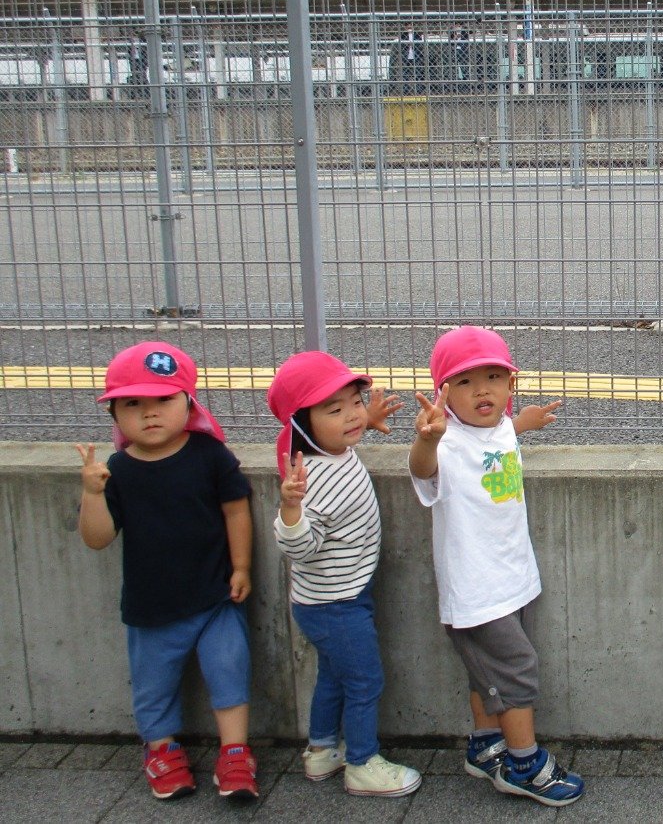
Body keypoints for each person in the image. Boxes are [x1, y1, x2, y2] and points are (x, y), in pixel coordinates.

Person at [75, 342, 258, 801]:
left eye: (163, 399)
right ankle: (160, 749)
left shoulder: (210, 455)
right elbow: (97, 538)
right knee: (154, 683)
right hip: (150, 606)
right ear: (114, 414)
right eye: (132, 403)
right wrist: (92, 495)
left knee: (229, 667)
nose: (149, 413)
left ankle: (235, 751)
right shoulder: (118, 470)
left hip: (216, 595)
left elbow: (236, 509)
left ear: (189, 404)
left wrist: (241, 566)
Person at [409, 326, 582, 806]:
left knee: (486, 674)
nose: (481, 390)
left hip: (512, 577)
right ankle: (524, 764)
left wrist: (524, 422)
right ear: (444, 395)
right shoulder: (446, 443)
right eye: (464, 382)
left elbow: (501, 437)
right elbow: (423, 470)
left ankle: (486, 747)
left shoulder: (499, 426)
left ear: (511, 384)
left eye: (493, 377)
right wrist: (425, 441)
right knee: (516, 670)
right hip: (477, 589)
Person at [266, 351, 423, 799]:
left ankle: (321, 750)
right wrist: (291, 510)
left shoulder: (333, 450)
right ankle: (362, 763)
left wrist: (365, 420)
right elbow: (298, 548)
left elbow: (342, 426)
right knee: (364, 680)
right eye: (334, 410)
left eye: (356, 402)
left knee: (334, 676)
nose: (353, 415)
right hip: (334, 603)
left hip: (338, 595)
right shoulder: (310, 479)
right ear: (303, 424)